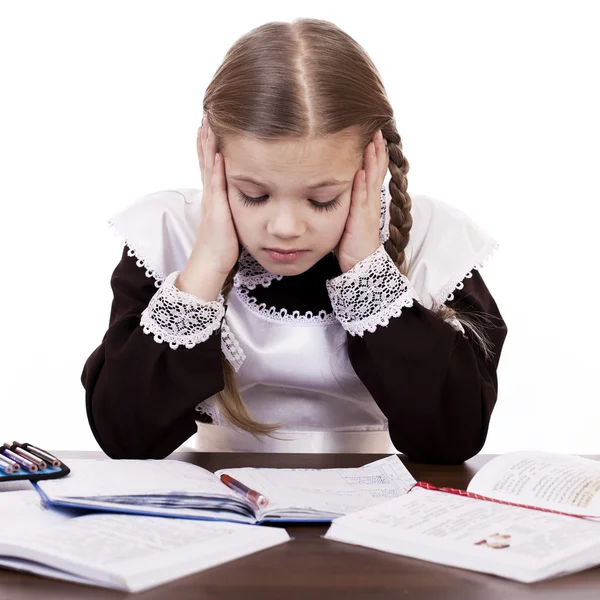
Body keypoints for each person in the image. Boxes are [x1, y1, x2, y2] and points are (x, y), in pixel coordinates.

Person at [82, 18, 508, 462]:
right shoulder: (169, 234)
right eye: (254, 194)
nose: (285, 226)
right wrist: (205, 268)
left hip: (377, 510)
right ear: (214, 160)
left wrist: (369, 270)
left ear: (373, 164)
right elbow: (124, 438)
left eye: (322, 199)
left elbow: (452, 441)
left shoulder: (432, 242)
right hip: (220, 502)